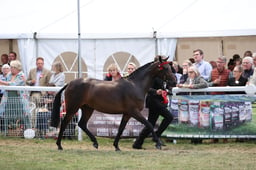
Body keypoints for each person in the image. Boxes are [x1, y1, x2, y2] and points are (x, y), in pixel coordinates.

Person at [132, 55, 177, 149]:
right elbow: (147, 88)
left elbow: (168, 80)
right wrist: (156, 91)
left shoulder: (162, 74)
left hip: (159, 100)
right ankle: (156, 136)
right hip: (153, 100)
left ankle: (138, 143)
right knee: (169, 117)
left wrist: (168, 90)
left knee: (151, 123)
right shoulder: (151, 76)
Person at [0, 60, 31, 134]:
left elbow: (14, 84)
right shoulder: (9, 75)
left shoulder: (21, 75)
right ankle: (5, 132)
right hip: (8, 98)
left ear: (18, 68)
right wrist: (4, 83)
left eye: (13, 67)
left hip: (19, 99)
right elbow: (6, 85)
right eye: (11, 67)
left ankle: (28, 130)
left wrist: (2, 82)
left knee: (23, 114)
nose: (11, 69)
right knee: (6, 114)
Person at [26, 57, 51, 128]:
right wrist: (31, 82)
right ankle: (32, 126)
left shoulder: (47, 72)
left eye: (41, 63)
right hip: (33, 93)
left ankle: (40, 127)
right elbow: (27, 81)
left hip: (42, 93)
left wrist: (47, 93)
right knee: (32, 110)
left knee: (41, 111)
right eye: (38, 63)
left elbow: (49, 83)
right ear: (36, 64)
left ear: (43, 64)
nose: (40, 65)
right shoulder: (32, 71)